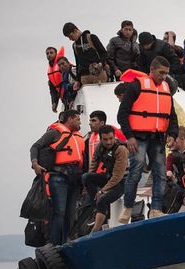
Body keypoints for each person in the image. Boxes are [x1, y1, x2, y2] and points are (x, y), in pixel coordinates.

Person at [117, 56, 179, 222]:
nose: (164, 77)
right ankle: (128, 207)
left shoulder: (166, 88)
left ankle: (156, 209)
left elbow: (172, 117)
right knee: (135, 172)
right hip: (138, 138)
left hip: (158, 138)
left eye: (166, 73)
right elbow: (122, 114)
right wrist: (129, 137)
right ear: (151, 70)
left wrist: (172, 134)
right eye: (161, 73)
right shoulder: (137, 86)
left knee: (160, 174)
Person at [30, 110, 85, 245]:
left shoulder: (79, 136)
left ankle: (65, 240)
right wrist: (35, 163)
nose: (80, 122)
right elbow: (35, 146)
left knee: (71, 212)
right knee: (59, 211)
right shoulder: (55, 133)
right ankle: (55, 243)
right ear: (70, 119)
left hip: (75, 177)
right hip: (59, 176)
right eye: (77, 119)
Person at [82, 125, 129, 232]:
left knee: (102, 200)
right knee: (86, 177)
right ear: (101, 138)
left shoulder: (120, 149)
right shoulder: (100, 147)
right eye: (105, 139)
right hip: (109, 178)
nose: (108, 142)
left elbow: (118, 176)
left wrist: (102, 191)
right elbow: (93, 165)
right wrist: (86, 187)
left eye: (111, 138)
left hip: (122, 182)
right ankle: (98, 211)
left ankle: (95, 232)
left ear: (114, 137)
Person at [62, 22, 108, 88]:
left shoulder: (91, 37)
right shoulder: (74, 45)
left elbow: (104, 53)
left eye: (70, 36)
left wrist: (101, 63)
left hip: (98, 74)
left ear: (75, 31)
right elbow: (78, 63)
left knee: (100, 96)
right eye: (68, 37)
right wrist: (78, 80)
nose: (70, 39)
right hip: (84, 77)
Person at [46, 46, 64, 113]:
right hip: (63, 98)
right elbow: (53, 89)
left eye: (51, 53)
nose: (49, 55)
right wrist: (54, 103)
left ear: (56, 54)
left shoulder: (62, 64)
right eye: (47, 53)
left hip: (71, 95)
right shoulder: (49, 71)